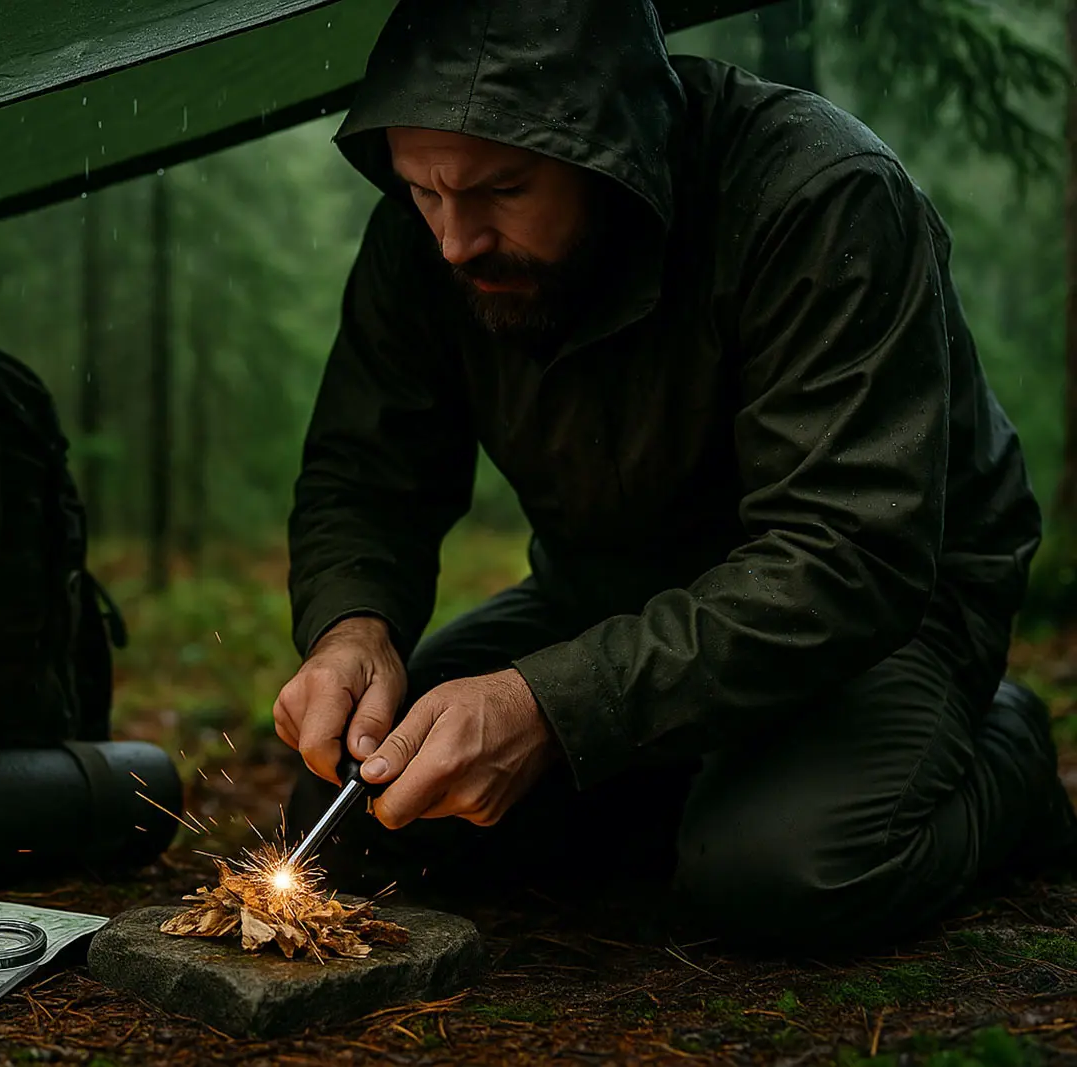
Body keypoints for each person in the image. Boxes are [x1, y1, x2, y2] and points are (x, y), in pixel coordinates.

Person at [273, 0, 1076, 950]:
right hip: (602, 598)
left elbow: (849, 555)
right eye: (425, 193)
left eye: (503, 190)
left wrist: (549, 705)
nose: (455, 241)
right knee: (361, 820)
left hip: (879, 621)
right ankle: (689, 788)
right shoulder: (432, 231)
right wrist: (351, 625)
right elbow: (366, 473)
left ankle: (1001, 754)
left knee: (784, 872)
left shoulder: (818, 196)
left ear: (610, 146)